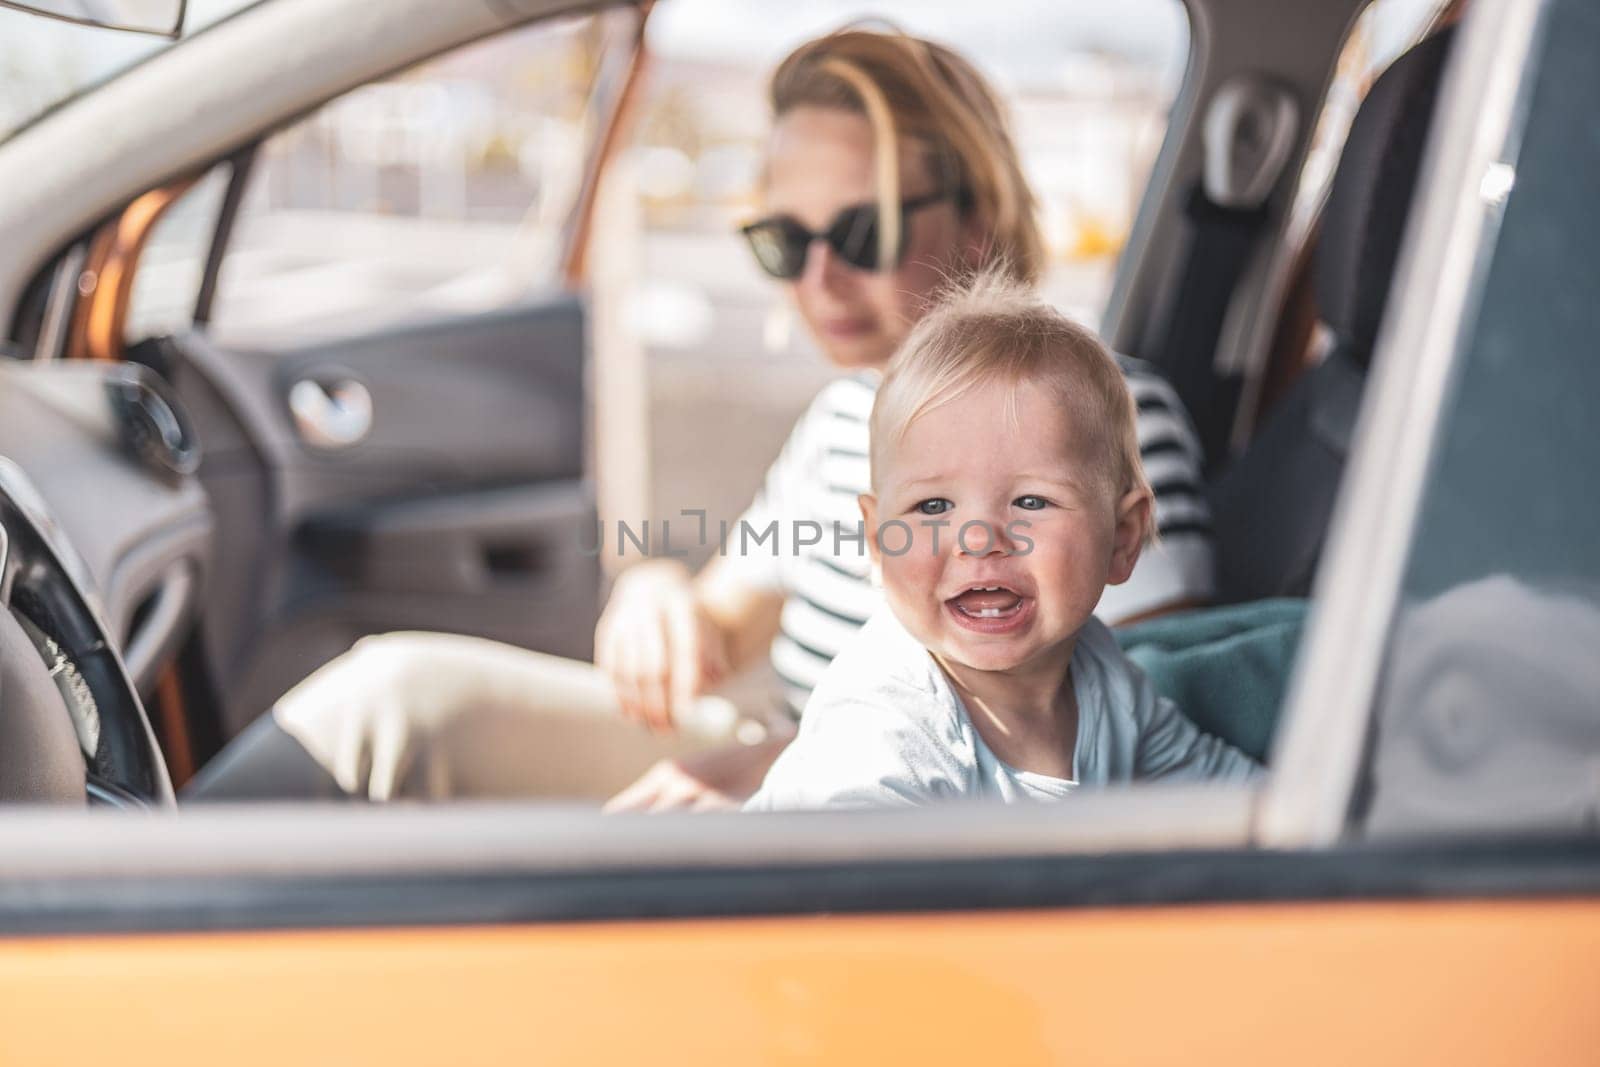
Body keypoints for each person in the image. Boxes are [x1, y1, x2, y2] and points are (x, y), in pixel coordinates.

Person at [188, 28, 1216, 809]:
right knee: (390, 695)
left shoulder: (1105, 416)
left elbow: (1108, 724)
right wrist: (655, 591)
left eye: (862, 229)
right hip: (786, 747)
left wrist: (786, 763)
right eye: (784, 239)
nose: (818, 277)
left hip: (883, 801)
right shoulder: (838, 417)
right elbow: (727, 619)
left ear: (980, 211)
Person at [747, 275, 1258, 809]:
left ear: (1123, 539)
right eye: (933, 507)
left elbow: (1229, 796)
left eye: (1031, 503)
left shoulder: (1105, 679)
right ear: (878, 541)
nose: (978, 539)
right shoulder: (882, 735)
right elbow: (846, 887)